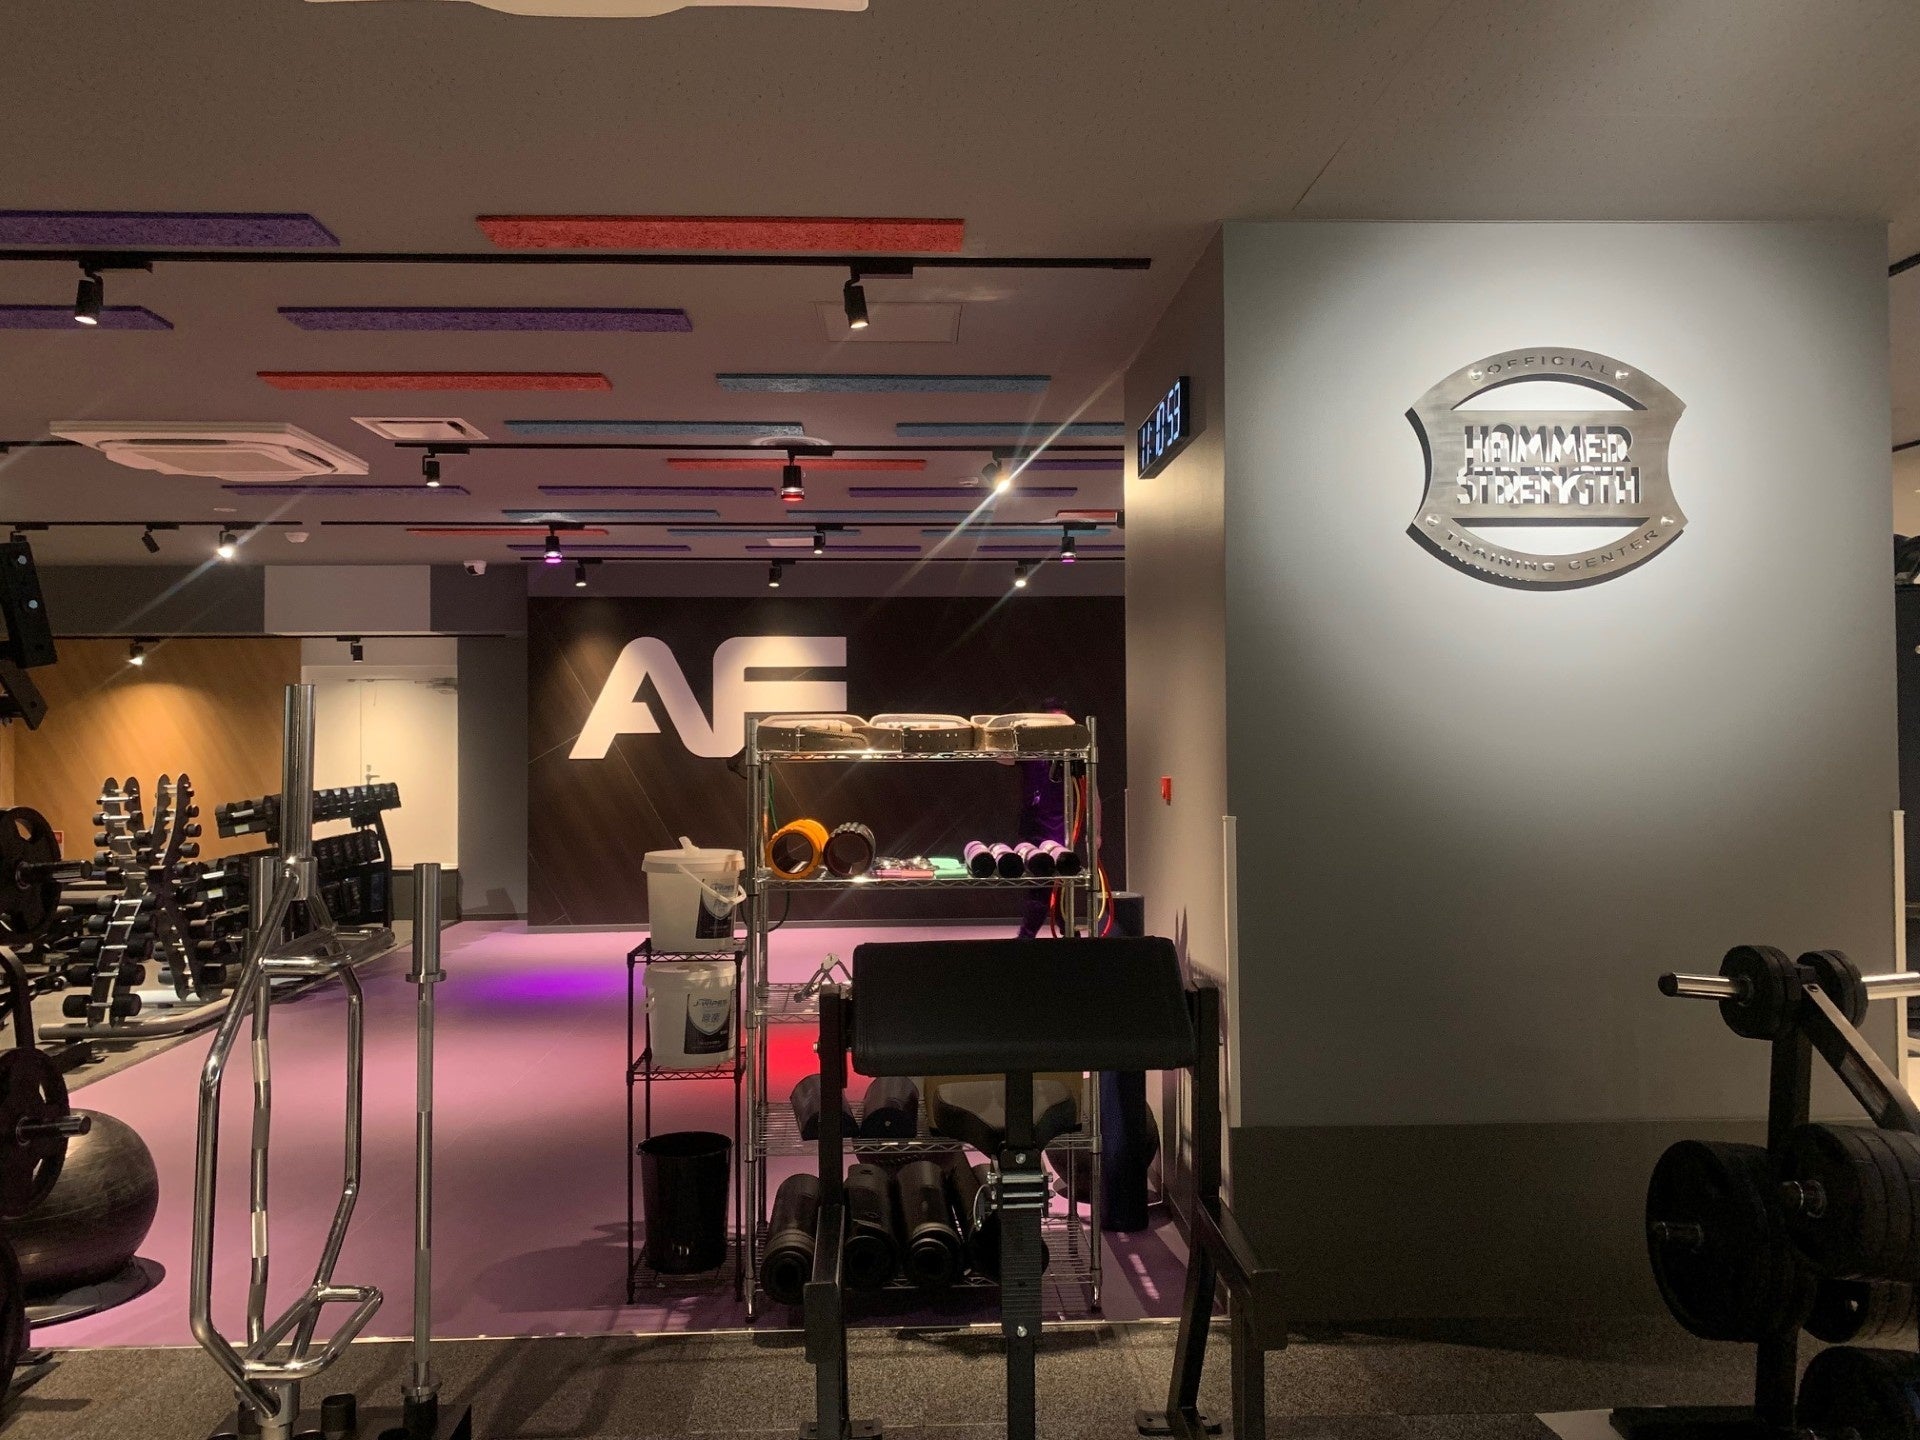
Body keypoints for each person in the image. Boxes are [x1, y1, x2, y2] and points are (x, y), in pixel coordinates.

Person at [1015, 701, 1071, 940]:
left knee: (1050, 883)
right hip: (1032, 826)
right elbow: (1003, 758)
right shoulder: (1031, 752)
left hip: (1058, 827)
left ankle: (1027, 937)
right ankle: (1067, 932)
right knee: (1041, 883)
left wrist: (1096, 831)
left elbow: (1092, 792)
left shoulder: (1070, 755)